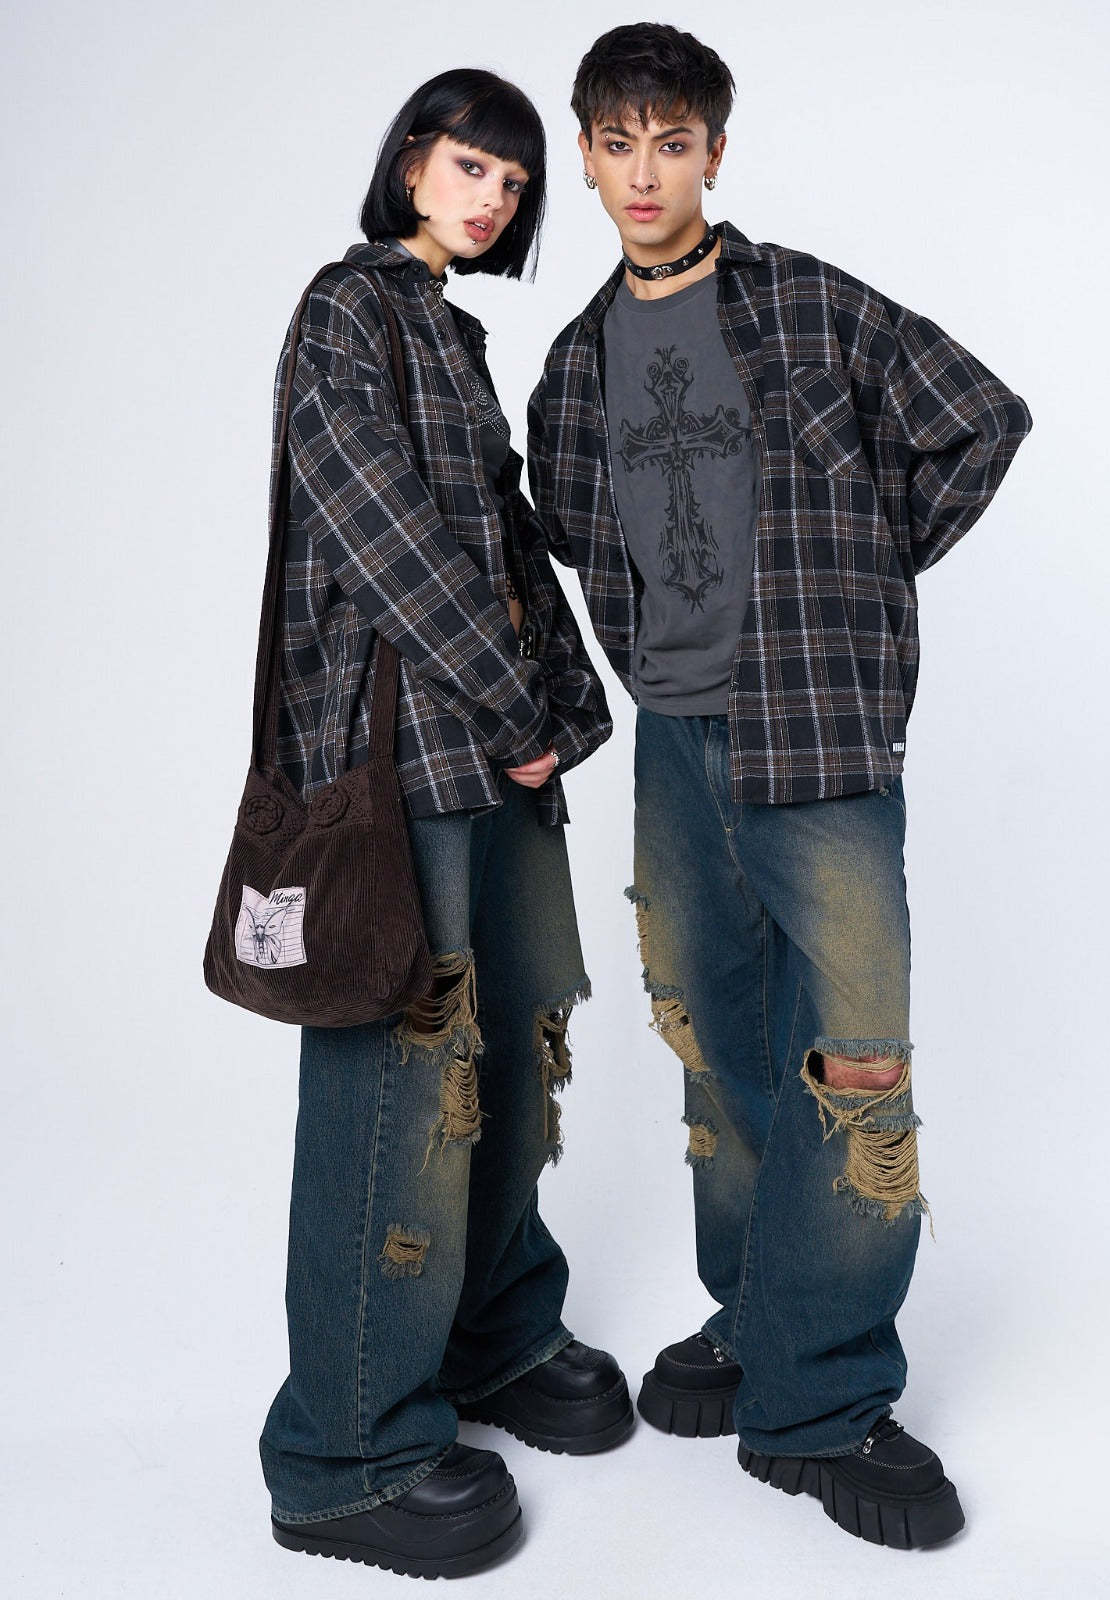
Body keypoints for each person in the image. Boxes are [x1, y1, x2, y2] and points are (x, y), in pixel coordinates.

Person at [526, 24, 1033, 1550]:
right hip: (677, 747)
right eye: (619, 144)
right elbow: (570, 524)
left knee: (854, 1062)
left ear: (714, 154)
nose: (645, 173)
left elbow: (980, 415)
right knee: (720, 1045)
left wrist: (861, 581)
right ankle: (757, 1318)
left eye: (672, 142)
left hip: (817, 738)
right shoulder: (574, 365)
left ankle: (825, 1402)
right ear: (587, 156)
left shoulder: (808, 303)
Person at [259, 69, 630, 1580]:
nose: (491, 199)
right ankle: (341, 1450)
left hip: (496, 759)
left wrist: (568, 714)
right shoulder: (344, 311)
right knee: (400, 1090)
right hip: (399, 767)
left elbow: (505, 541)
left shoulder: (454, 335)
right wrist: (516, 702)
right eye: (472, 165)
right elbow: (384, 538)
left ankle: (491, 1337)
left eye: (515, 184)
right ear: (411, 158)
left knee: (516, 1052)